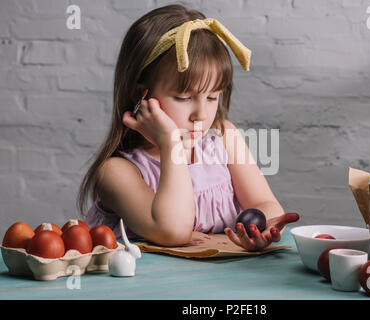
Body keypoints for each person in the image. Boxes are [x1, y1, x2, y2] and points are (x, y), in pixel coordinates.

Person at [77, 4, 299, 251]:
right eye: (184, 98)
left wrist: (262, 229)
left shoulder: (224, 136)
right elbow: (173, 231)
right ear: (141, 95)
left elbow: (265, 204)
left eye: (213, 97)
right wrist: (170, 142)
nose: (201, 115)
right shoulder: (115, 172)